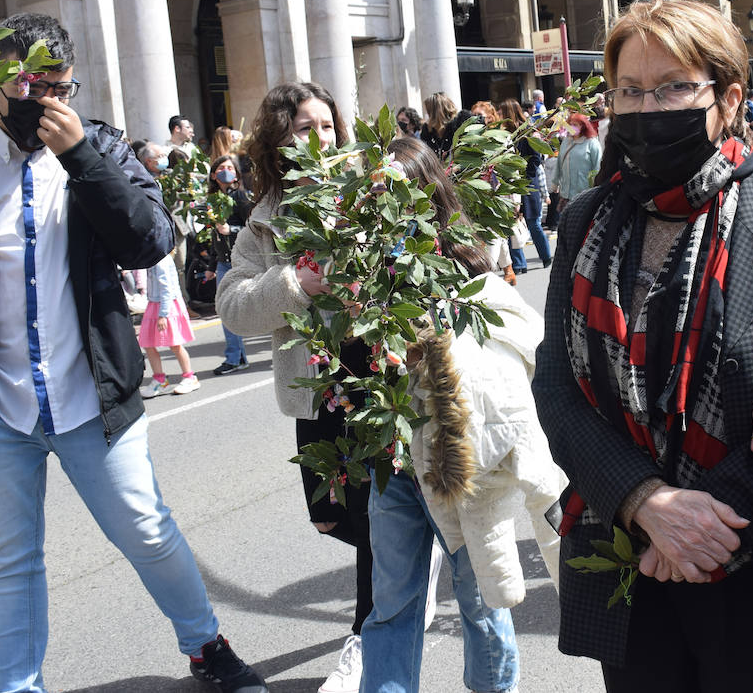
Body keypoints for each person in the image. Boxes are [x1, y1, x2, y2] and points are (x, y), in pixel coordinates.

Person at [0, 13, 266, 692]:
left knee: (148, 531)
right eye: (31, 88)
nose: (47, 104)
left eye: (61, 89)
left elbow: (152, 241)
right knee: (8, 560)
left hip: (91, 398)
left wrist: (81, 161)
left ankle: (205, 644)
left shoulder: (99, 147)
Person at [532, 0, 753, 693]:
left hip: (751, 564)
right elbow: (555, 388)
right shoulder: (584, 224)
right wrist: (645, 502)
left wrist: (709, 520)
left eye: (671, 87)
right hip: (624, 553)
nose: (646, 107)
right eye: (629, 91)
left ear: (726, 100)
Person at [357, 136, 564, 693]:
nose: (390, 213)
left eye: (402, 196)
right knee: (392, 604)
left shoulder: (471, 279)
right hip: (395, 466)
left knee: (480, 599)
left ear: (431, 198)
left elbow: (525, 352)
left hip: (458, 469)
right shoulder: (355, 277)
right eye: (376, 198)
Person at [217, 83, 372, 693]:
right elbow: (233, 304)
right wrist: (297, 283)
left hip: (380, 378)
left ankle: (367, 636)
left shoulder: (368, 188)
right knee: (329, 516)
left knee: (375, 513)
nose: (320, 140)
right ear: (278, 140)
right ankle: (412, 551)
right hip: (315, 387)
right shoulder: (264, 219)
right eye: (305, 129)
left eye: (327, 128)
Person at [208, 154, 253, 376]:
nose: (226, 171)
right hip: (223, 263)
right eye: (221, 168)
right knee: (225, 311)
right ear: (213, 175)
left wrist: (231, 230)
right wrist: (210, 264)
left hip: (241, 261)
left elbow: (253, 227)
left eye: (230, 167)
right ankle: (235, 357)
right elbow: (212, 236)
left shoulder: (241, 196)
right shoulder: (213, 201)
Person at [137, 251, 200, 396]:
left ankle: (190, 377)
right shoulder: (152, 259)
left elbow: (167, 290)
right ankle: (160, 380)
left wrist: (163, 315)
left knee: (175, 344)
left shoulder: (161, 261)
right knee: (148, 343)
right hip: (154, 304)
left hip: (167, 306)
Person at [499, 99, 552, 269]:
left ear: (509, 113)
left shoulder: (528, 132)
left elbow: (536, 159)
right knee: (512, 224)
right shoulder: (502, 135)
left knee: (533, 222)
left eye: (501, 112)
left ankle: (546, 256)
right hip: (511, 184)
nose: (499, 116)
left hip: (528, 183)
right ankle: (519, 264)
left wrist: (525, 176)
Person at [549, 112, 601, 208]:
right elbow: (559, 164)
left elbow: (597, 167)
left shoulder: (592, 143)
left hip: (584, 195)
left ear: (583, 126)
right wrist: (555, 183)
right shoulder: (566, 142)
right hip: (565, 195)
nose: (572, 127)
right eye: (570, 124)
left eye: (575, 125)